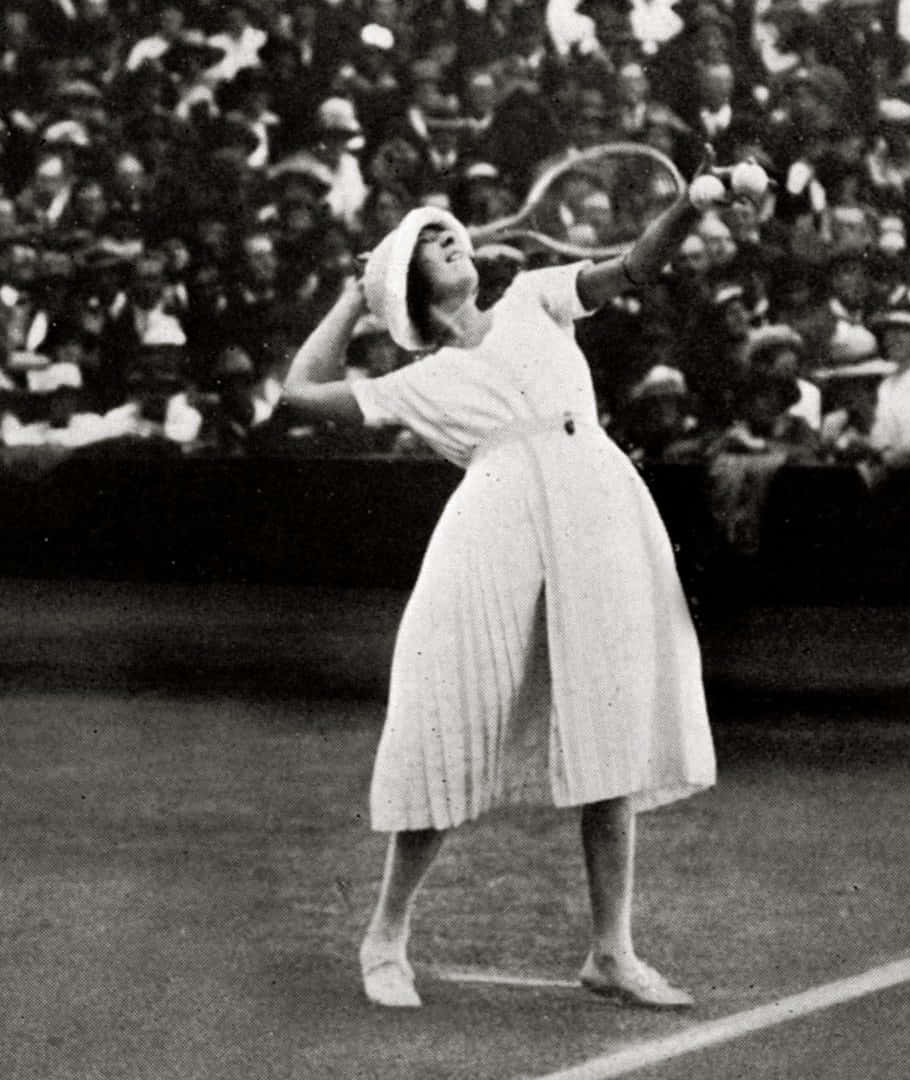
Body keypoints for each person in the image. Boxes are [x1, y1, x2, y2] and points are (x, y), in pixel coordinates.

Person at [281, 156, 724, 1011]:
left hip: (599, 509)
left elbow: (635, 265)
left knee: (608, 721)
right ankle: (385, 936)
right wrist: (349, 299)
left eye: (451, 232)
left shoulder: (534, 297)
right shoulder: (418, 381)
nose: (451, 240)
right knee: (450, 716)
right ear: (409, 287)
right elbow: (300, 392)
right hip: (492, 530)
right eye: (431, 242)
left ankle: (611, 952)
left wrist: (688, 205)